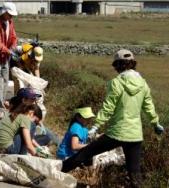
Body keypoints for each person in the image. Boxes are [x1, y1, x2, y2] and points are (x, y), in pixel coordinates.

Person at [61, 49, 164, 187]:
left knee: (86, 153)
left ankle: (55, 171)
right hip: (135, 135)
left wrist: (96, 126)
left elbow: (108, 107)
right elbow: (149, 106)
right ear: (133, 64)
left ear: (118, 65)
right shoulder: (143, 83)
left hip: (117, 132)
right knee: (135, 173)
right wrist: (155, 123)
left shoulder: (116, 82)